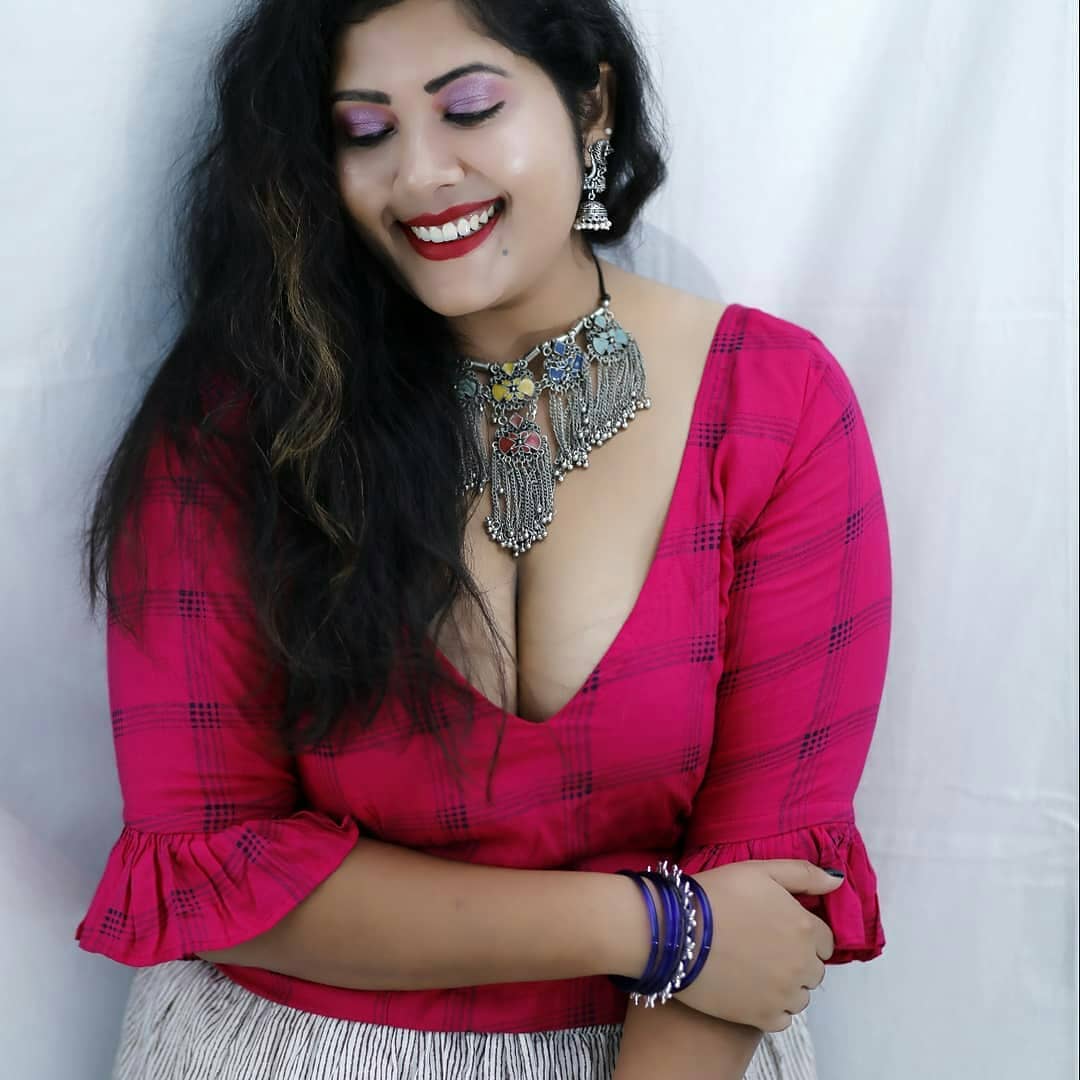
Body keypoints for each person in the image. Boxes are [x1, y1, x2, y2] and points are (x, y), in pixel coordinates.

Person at [74, 0, 892, 1077]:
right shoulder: (242, 428)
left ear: (591, 104)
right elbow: (209, 867)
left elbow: (770, 883)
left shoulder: (774, 406)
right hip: (291, 1051)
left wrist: (700, 946)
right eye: (366, 130)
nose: (419, 174)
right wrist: (657, 928)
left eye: (467, 109)